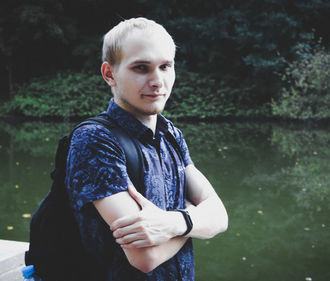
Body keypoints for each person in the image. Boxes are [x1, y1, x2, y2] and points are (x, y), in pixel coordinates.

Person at [65, 17, 228, 281]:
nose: (157, 81)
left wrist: (172, 223)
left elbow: (221, 216)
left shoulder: (171, 134)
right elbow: (145, 258)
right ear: (109, 74)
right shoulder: (95, 139)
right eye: (141, 68)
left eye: (165, 66)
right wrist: (196, 219)